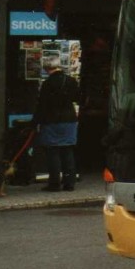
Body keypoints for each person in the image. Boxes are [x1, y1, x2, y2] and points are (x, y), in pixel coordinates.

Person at [33, 53, 80, 192]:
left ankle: (54, 183)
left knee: (52, 152)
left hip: (51, 121)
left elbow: (42, 105)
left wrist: (35, 122)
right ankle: (69, 183)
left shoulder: (47, 84)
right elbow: (77, 98)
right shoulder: (71, 81)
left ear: (46, 68)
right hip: (69, 120)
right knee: (67, 150)